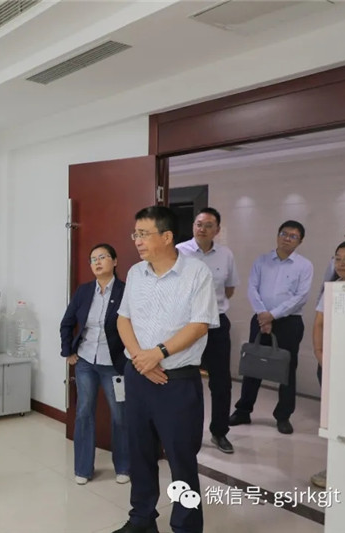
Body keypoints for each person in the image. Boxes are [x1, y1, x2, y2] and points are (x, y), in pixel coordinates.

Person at [112, 206, 218, 533]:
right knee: (139, 453)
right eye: (135, 234)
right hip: (138, 376)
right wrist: (141, 359)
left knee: (181, 459)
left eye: (144, 234)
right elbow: (123, 319)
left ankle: (186, 526)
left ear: (167, 236)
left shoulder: (196, 272)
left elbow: (200, 324)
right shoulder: (135, 273)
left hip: (177, 381)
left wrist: (157, 354)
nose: (137, 241)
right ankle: (141, 519)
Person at [230, 220, 313, 435]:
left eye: (293, 236)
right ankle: (243, 410)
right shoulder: (262, 260)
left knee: (287, 368)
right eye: (284, 234)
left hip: (289, 322)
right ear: (277, 235)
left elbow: (301, 296)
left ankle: (283, 416)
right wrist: (263, 315)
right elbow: (252, 288)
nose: (287, 239)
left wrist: (272, 315)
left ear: (300, 241)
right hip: (260, 319)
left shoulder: (304, 265)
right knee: (253, 364)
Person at [59, 243, 129, 486]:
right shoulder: (84, 291)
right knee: (83, 413)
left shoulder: (125, 291)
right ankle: (83, 468)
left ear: (115, 261)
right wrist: (68, 351)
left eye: (102, 257)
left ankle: (123, 466)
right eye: (93, 259)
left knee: (120, 415)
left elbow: (136, 326)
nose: (97, 262)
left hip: (115, 364)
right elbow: (67, 322)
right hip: (86, 361)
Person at [176, 208, 239, 454]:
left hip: (216, 323)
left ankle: (219, 432)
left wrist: (211, 306)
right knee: (185, 379)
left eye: (208, 225)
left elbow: (229, 289)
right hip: (187, 324)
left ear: (217, 230)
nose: (202, 228)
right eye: (198, 224)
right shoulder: (180, 251)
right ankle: (186, 431)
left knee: (221, 381)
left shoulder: (226, 254)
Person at [309, 240, 345, 488]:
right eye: (337, 258)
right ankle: (338, 466)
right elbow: (319, 323)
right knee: (338, 421)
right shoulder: (332, 288)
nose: (341, 264)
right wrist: (320, 353)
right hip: (334, 364)